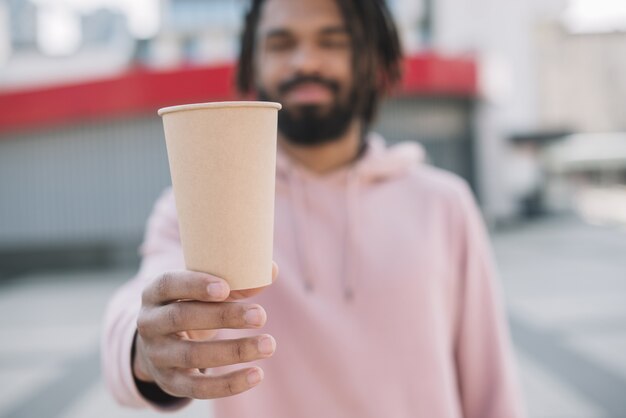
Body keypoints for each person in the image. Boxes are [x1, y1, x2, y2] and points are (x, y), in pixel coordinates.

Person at [102, 0, 526, 417]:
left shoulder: (444, 204)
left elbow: (491, 384)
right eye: (282, 43)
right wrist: (145, 350)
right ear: (253, 63)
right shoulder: (195, 205)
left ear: (371, 59)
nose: (306, 61)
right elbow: (140, 303)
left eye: (333, 41)